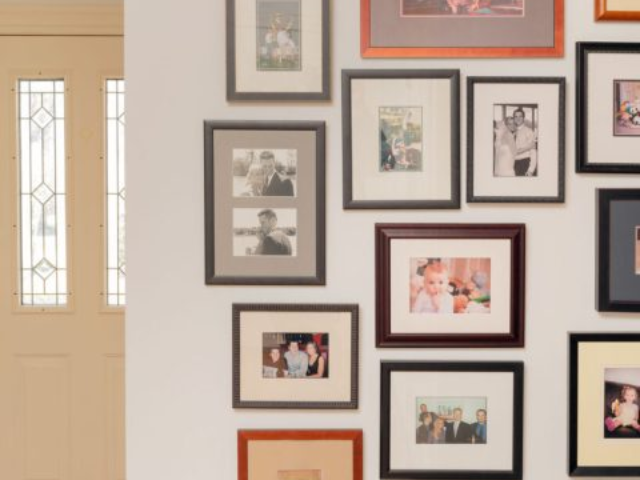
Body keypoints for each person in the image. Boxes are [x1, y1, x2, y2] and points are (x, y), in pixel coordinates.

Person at [513, 108, 538, 177]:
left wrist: (531, 170)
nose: (518, 118)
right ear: (514, 118)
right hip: (513, 165)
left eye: (520, 116)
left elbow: (533, 151)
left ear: (523, 118)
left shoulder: (528, 131)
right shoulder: (512, 132)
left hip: (524, 164)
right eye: (516, 116)